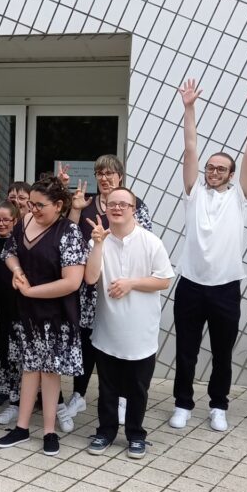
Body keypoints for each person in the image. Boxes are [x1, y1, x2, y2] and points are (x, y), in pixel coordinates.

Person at [170, 79, 247, 433]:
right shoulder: (193, 193)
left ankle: (218, 405)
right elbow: (190, 147)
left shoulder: (240, 197)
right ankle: (183, 403)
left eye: (220, 169)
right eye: (210, 168)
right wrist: (189, 108)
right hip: (190, 285)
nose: (213, 172)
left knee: (222, 353)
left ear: (230, 175)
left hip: (226, 287)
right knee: (186, 350)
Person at [58, 155, 153, 430]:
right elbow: (69, 238)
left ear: (120, 177)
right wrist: (74, 210)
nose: (104, 178)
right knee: (87, 341)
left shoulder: (136, 205)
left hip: (119, 286)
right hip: (90, 287)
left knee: (119, 343)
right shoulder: (85, 202)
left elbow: (141, 242)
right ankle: (79, 394)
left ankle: (123, 398)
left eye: (110, 173)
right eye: (100, 173)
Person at [0, 175, 87, 456]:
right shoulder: (24, 222)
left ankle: (49, 431)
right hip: (27, 314)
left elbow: (72, 281)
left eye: (40, 205)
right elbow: (9, 253)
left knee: (49, 372)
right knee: (28, 369)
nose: (33, 209)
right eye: (31, 204)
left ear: (59, 205)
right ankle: (22, 428)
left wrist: (31, 292)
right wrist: (18, 272)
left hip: (55, 316)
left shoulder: (69, 231)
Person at [85, 187, 174, 458]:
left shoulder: (150, 242)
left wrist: (131, 283)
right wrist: (98, 244)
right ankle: (106, 432)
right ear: (105, 209)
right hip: (107, 330)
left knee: (138, 389)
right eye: (112, 204)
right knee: (107, 388)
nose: (117, 208)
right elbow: (89, 279)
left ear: (134, 209)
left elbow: (164, 280)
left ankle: (136, 434)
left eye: (124, 204)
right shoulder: (98, 241)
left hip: (140, 333)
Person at [0, 201, 23, 424]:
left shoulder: (19, 243)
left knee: (14, 353)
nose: (0, 224)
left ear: (15, 221)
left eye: (5, 220)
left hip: (16, 305)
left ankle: (17, 399)